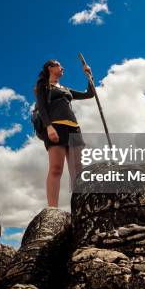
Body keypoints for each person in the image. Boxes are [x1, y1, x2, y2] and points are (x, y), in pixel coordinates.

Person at [35, 59, 94, 207]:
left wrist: (89, 75)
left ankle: (79, 207)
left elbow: (89, 94)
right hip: (56, 127)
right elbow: (42, 108)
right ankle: (53, 209)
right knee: (56, 168)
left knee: (78, 169)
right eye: (59, 65)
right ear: (50, 68)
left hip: (74, 128)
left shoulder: (66, 88)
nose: (63, 67)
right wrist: (49, 127)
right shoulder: (43, 87)